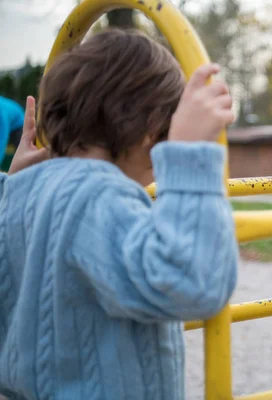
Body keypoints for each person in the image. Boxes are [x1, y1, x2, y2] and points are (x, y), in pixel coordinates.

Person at [0, 29, 238, 400]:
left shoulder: (19, 195)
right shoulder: (97, 195)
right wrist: (189, 152)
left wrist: (13, 184)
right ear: (151, 130)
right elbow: (192, 284)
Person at [0, 95, 25, 168]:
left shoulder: (1, 113)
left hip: (18, 125)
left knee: (21, 153)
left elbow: (2, 138)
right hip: (9, 122)